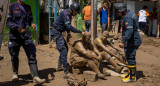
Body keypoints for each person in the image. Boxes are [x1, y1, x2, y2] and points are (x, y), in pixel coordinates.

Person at [6, 0, 46, 84]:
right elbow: (8, 22)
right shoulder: (11, 6)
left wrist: (32, 24)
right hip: (15, 37)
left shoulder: (28, 7)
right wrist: (17, 28)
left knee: (32, 54)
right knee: (14, 55)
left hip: (26, 36)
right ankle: (15, 73)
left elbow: (30, 20)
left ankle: (35, 77)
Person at [51, 2, 84, 78]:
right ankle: (66, 72)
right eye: (76, 12)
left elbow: (66, 26)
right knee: (63, 51)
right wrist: (80, 31)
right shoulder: (66, 14)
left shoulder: (69, 14)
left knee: (65, 48)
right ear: (72, 10)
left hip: (60, 32)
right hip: (56, 33)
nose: (76, 14)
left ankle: (59, 66)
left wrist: (68, 34)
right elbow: (69, 26)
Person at [114, 3, 142, 82]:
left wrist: (123, 41)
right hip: (131, 40)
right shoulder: (128, 14)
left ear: (121, 11)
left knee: (131, 58)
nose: (117, 13)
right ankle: (130, 74)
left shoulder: (128, 17)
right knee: (129, 57)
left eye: (117, 11)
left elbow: (129, 31)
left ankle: (132, 77)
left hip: (133, 41)